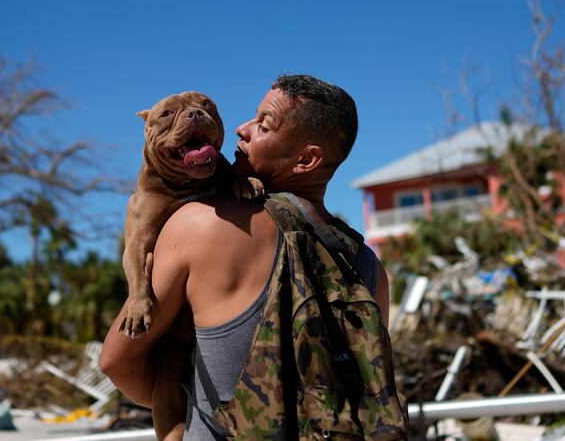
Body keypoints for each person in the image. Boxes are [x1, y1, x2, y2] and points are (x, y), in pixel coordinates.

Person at [100, 74, 390, 438]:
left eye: (263, 125)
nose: (242, 129)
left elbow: (116, 362)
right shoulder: (367, 266)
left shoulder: (199, 225)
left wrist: (185, 408)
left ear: (306, 160)